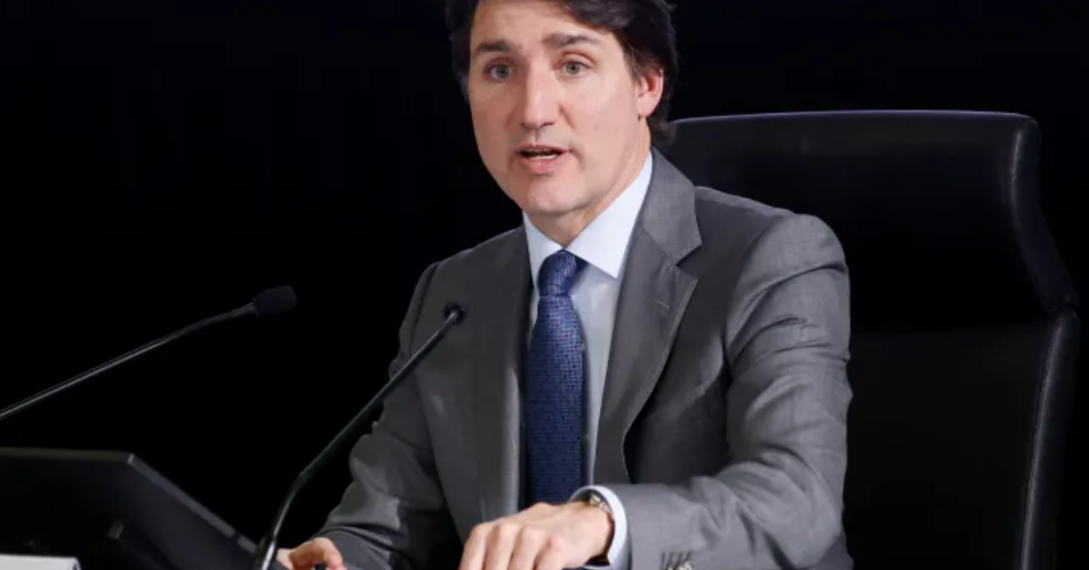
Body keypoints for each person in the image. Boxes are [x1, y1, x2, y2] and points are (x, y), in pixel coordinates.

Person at [278, 0, 853, 568]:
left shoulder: (770, 259)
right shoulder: (453, 293)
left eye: (573, 65)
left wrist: (603, 522)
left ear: (647, 84)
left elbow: (796, 498)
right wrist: (334, 558)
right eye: (499, 70)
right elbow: (381, 532)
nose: (532, 110)